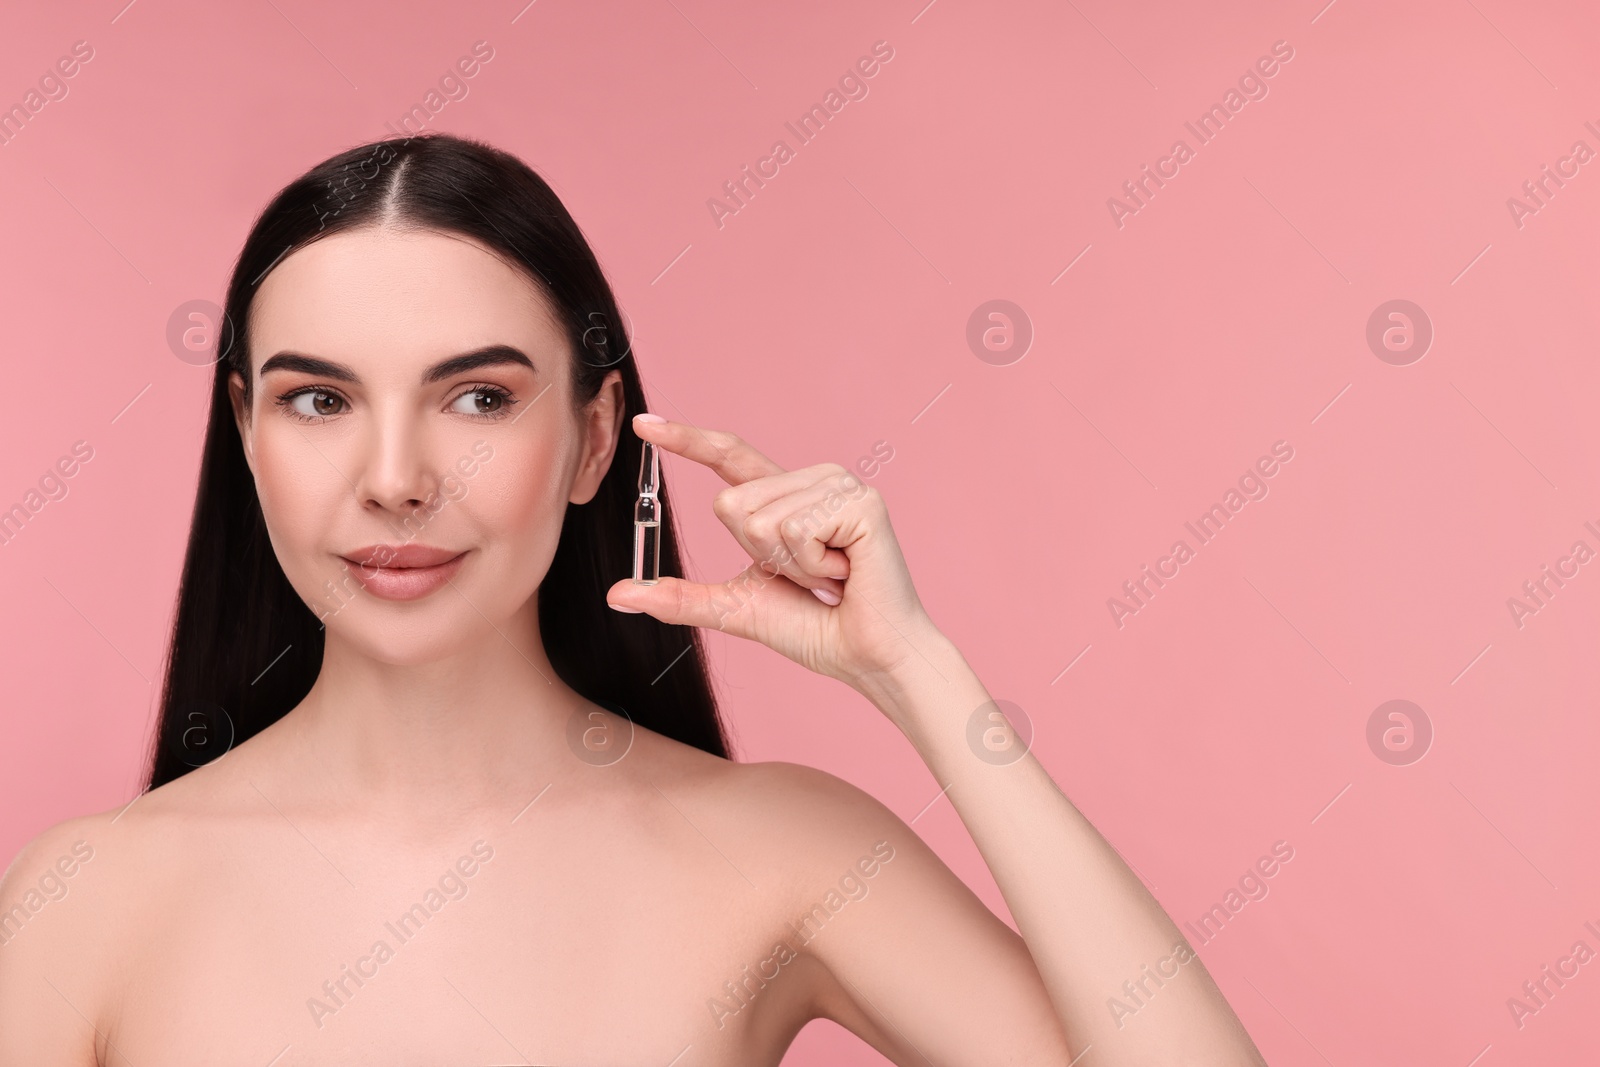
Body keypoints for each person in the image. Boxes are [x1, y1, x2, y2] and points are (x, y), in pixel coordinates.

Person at [0, 132, 1265, 1065]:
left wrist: (915, 673)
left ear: (596, 436)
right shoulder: (94, 897)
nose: (394, 481)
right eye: (319, 400)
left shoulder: (785, 848)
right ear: (247, 433)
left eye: (479, 398)